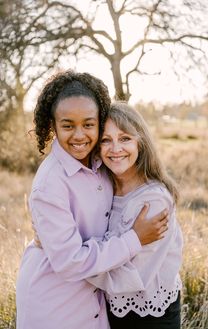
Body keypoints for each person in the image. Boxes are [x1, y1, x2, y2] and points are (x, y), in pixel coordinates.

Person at [16, 70, 169, 329]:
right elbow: (70, 262)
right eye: (67, 125)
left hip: (95, 301)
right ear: (53, 125)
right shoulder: (50, 184)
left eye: (88, 124)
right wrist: (134, 239)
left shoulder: (101, 163)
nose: (79, 135)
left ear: (100, 122)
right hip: (53, 302)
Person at [87, 102, 183, 329]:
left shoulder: (153, 201)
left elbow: (130, 278)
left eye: (125, 138)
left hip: (152, 318)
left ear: (141, 142)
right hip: (112, 311)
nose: (115, 148)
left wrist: (71, 260)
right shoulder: (105, 187)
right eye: (105, 140)